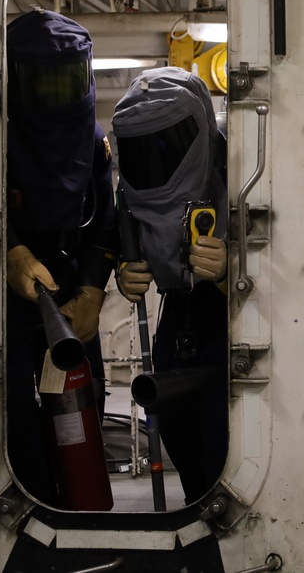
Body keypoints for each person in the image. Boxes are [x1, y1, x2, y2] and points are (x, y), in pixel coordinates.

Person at [4, 9, 117, 506]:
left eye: (63, 80)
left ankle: (84, 520)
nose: (53, 95)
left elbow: (106, 215)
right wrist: (9, 250)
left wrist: (94, 288)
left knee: (83, 408)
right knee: (14, 417)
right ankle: (27, 521)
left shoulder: (92, 140)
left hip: (71, 298)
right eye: (40, 82)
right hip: (6, 302)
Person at [111, 67, 230, 505]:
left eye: (171, 140)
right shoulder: (128, 190)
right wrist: (125, 269)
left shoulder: (238, 168)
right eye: (144, 146)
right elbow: (121, 233)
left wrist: (228, 272)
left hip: (229, 319)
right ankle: (202, 513)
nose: (157, 155)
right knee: (177, 429)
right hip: (176, 314)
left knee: (222, 434)